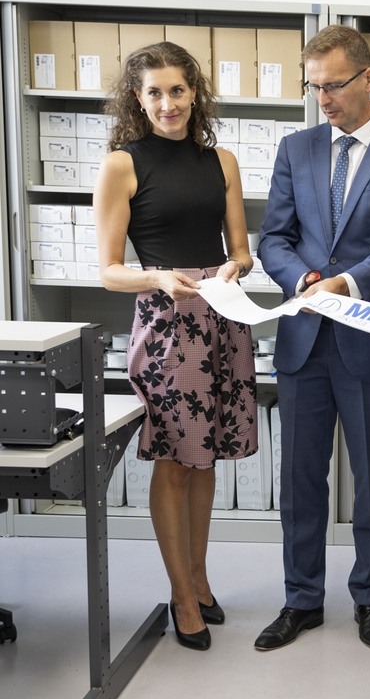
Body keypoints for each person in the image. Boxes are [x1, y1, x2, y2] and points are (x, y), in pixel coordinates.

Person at [256, 25, 370, 651]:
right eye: (313, 87)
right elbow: (272, 238)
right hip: (304, 338)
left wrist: (344, 285)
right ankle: (301, 599)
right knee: (300, 478)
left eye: (333, 85)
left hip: (367, 339)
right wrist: (305, 280)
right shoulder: (296, 149)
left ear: (368, 79)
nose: (323, 99)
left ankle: (369, 598)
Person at [95, 41, 258, 651]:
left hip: (221, 316)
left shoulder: (222, 161)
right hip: (166, 323)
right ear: (137, 99)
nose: (168, 103)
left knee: (205, 457)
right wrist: (160, 278)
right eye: (155, 93)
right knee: (175, 460)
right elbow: (108, 271)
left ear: (195, 93)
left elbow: (241, 250)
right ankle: (182, 598)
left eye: (178, 90)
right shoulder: (122, 165)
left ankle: (200, 579)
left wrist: (235, 268)